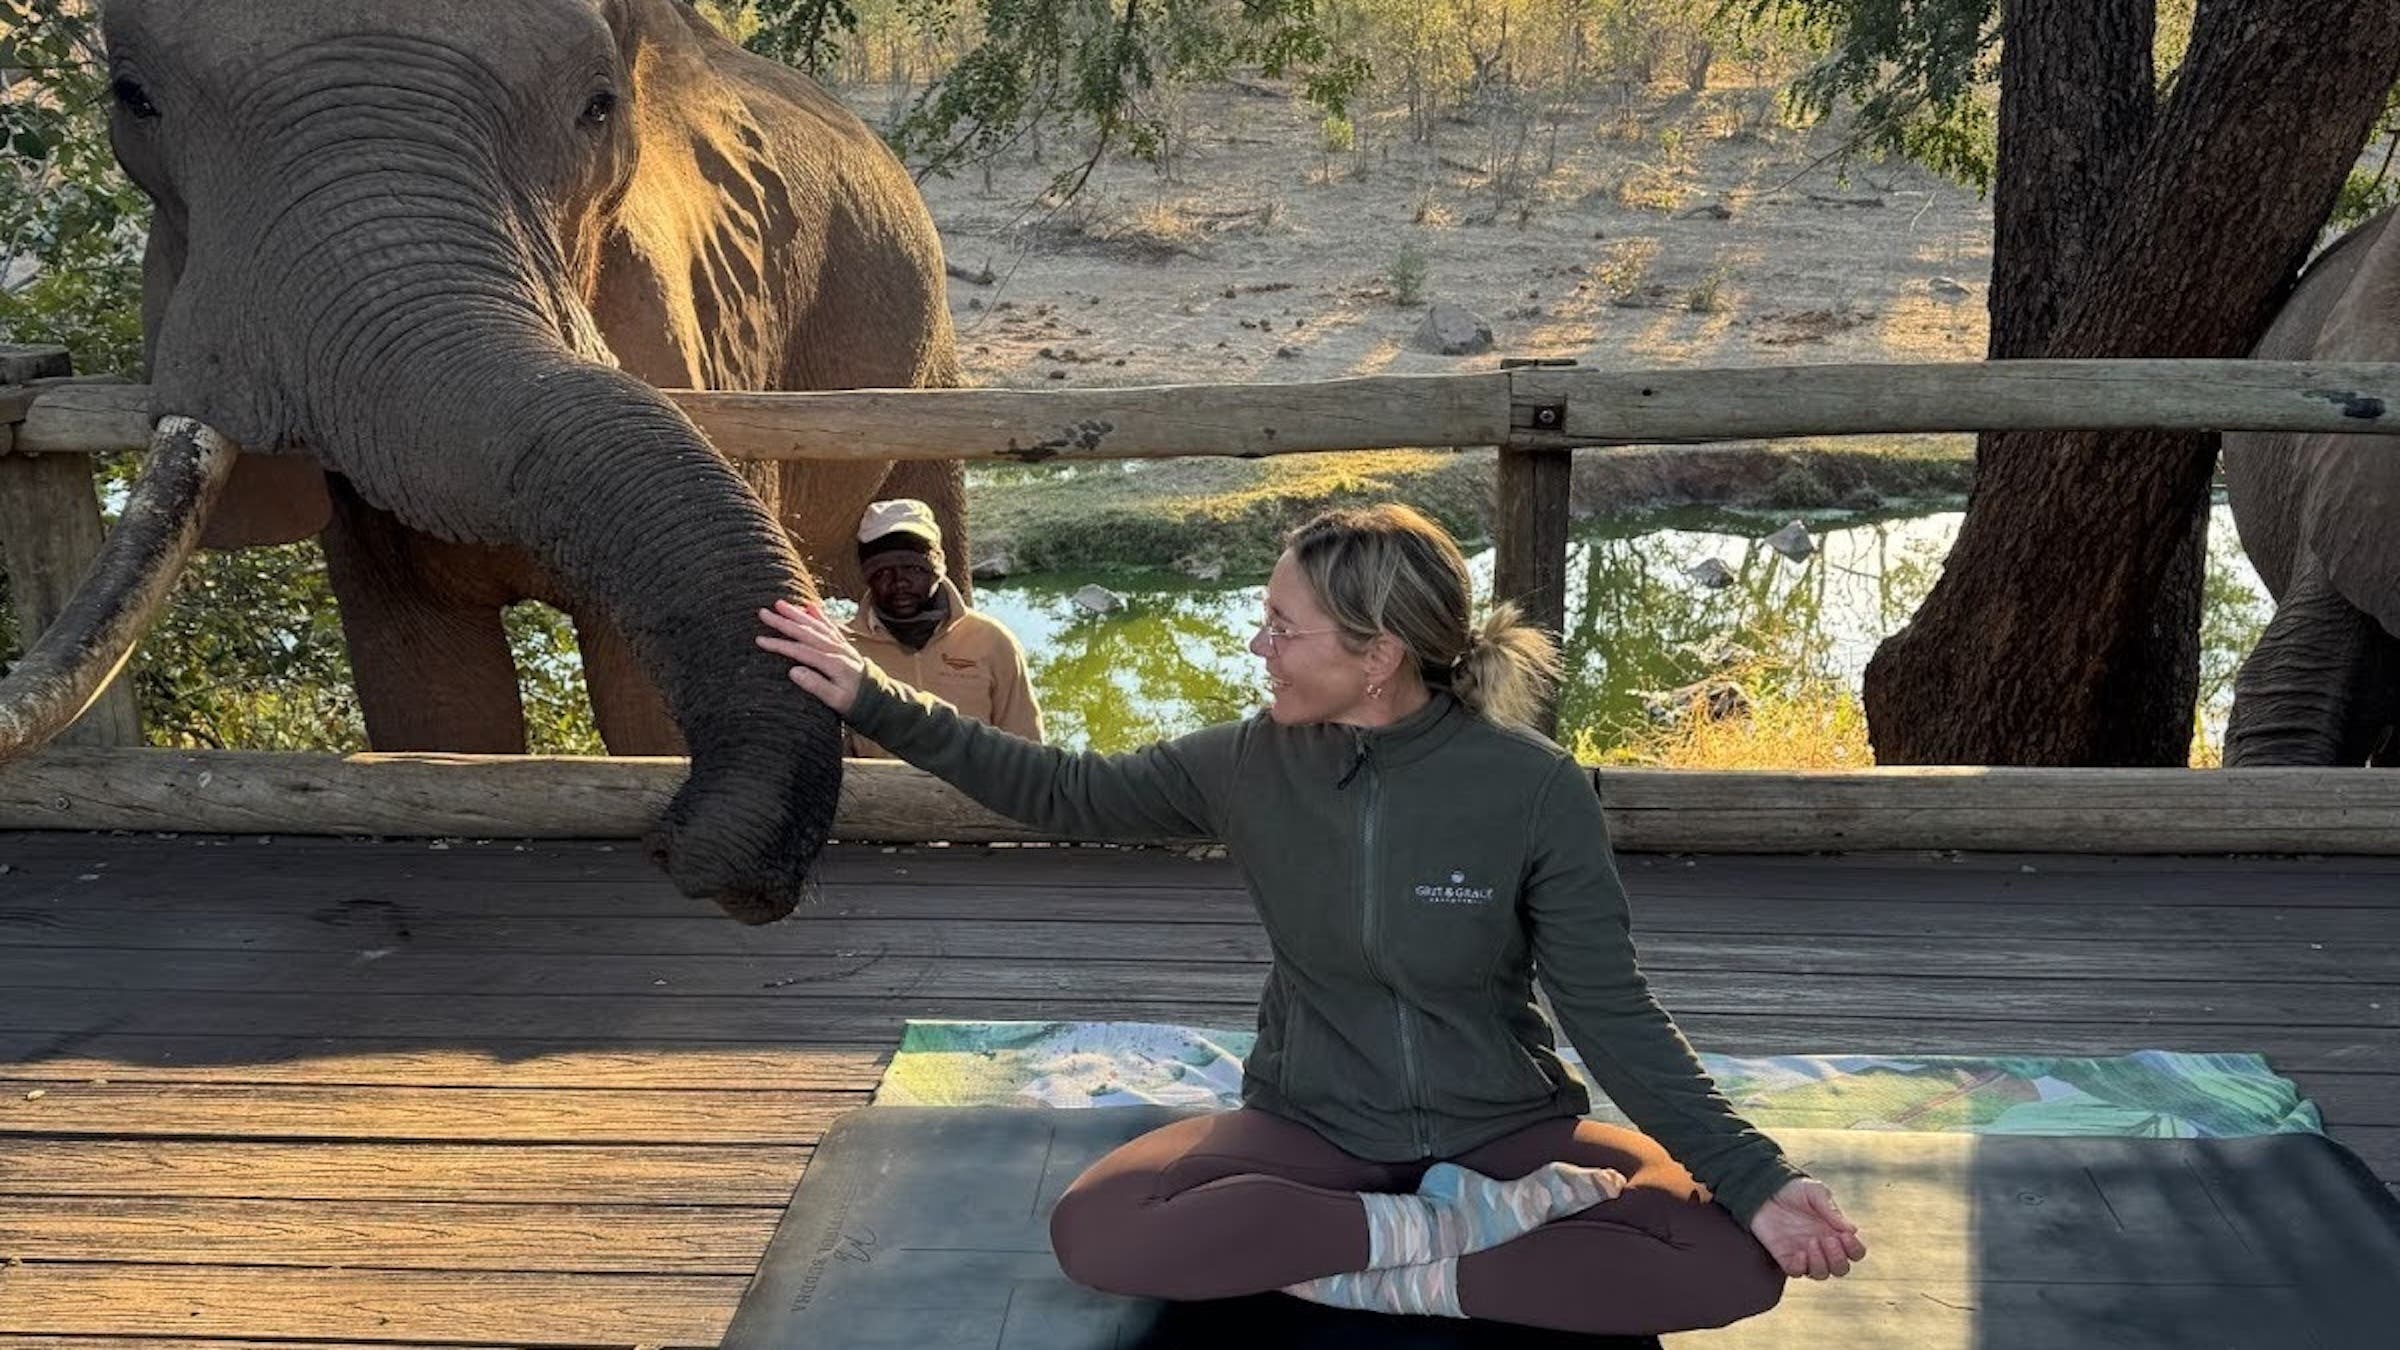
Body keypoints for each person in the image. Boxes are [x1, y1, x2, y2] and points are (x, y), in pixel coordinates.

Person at [755, 503, 1865, 1338]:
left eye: (1284, 629)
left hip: (1504, 1127)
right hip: (1315, 1127)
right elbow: (1062, 790)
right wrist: (870, 695)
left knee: (1729, 1262)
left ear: (1376, 658)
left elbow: (1612, 1013)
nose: (1259, 649)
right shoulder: (1248, 764)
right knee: (1100, 1226)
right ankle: (1429, 1243)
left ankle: (1380, 1268)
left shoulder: (1531, 788)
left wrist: (1761, 1177)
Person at [842, 498, 1042, 758]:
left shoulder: (993, 642)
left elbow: (1028, 750)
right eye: (883, 572)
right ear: (866, 576)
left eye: (914, 568)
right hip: (874, 796)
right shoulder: (843, 648)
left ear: (939, 565)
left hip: (975, 797)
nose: (899, 583)